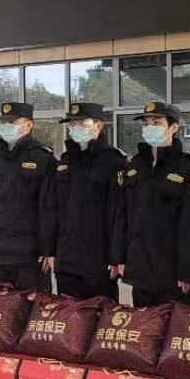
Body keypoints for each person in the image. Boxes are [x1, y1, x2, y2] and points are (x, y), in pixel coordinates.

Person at [110, 100, 190, 307]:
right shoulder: (136, 165)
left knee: (174, 325)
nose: (149, 127)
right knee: (143, 324)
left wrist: (188, 271)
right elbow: (123, 214)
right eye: (146, 123)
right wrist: (119, 256)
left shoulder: (188, 167)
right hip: (140, 268)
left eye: (157, 122)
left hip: (171, 272)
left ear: (173, 127)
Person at [42, 101, 126, 299]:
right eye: (72, 124)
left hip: (98, 260)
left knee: (100, 314)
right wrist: (49, 249)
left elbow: (119, 214)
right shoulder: (64, 162)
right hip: (66, 259)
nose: (76, 128)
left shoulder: (114, 162)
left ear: (99, 125)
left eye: (82, 124)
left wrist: (116, 257)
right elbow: (51, 208)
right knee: (68, 315)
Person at [0, 101, 56, 291]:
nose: (6, 126)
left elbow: (49, 208)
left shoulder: (43, 159)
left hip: (30, 254)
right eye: (4, 122)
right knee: (1, 306)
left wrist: (48, 248)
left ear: (29, 125)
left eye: (12, 122)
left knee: (31, 306)